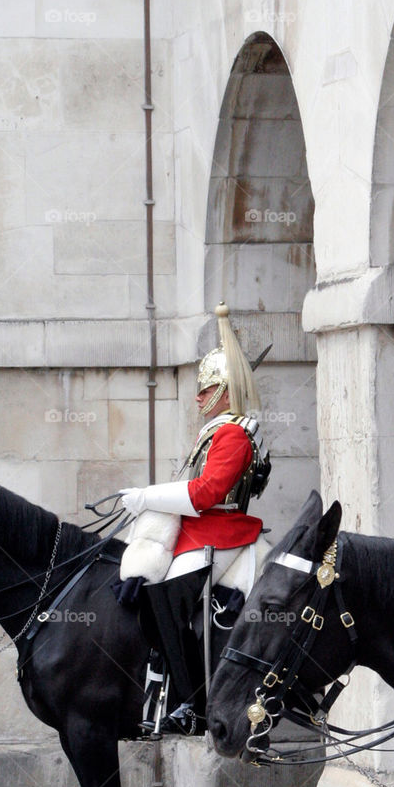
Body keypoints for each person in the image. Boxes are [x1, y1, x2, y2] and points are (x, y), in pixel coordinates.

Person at [119, 303, 271, 735]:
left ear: (224, 391)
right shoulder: (218, 431)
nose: (198, 398)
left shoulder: (234, 434)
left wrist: (147, 496)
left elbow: (207, 495)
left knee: (167, 599)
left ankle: (193, 706)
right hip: (197, 533)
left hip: (221, 534)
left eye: (205, 390)